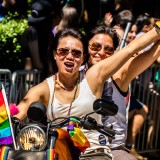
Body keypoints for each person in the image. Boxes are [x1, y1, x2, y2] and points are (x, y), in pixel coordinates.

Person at [14, 25, 160, 160]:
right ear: (55, 54)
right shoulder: (45, 87)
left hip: (103, 149)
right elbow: (13, 116)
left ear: (82, 57)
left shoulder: (99, 76)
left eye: (76, 53)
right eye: (63, 51)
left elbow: (130, 50)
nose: (101, 53)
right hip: (62, 148)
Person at [86, 23, 160, 160]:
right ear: (86, 47)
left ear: (114, 54)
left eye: (108, 50)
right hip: (79, 147)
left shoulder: (119, 77)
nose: (101, 53)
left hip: (112, 150)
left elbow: (150, 54)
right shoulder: (73, 75)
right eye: (95, 47)